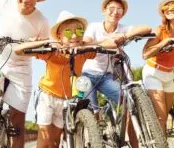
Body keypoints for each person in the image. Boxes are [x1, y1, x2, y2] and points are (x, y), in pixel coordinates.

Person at [14, 10, 123, 148]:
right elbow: (18, 50)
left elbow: (110, 44)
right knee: (45, 139)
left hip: (65, 100)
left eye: (78, 32)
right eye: (67, 32)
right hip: (47, 96)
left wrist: (85, 44)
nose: (73, 35)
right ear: (59, 35)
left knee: (55, 142)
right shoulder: (52, 52)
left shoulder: (83, 52)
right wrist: (48, 42)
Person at [0, 0, 50, 148]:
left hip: (22, 69)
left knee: (17, 121)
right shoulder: (3, 4)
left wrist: (35, 47)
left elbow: (45, 52)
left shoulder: (42, 21)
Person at [82, 0, 152, 147]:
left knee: (127, 100)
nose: (115, 12)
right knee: (91, 110)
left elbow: (147, 28)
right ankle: (96, 138)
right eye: (111, 9)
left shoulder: (123, 28)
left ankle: (122, 132)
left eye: (119, 9)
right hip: (89, 74)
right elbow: (85, 44)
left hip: (107, 76)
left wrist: (124, 36)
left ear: (123, 13)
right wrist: (108, 42)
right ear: (104, 11)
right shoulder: (94, 27)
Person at [142, 0, 174, 134]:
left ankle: (161, 141)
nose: (169, 9)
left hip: (169, 75)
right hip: (153, 74)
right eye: (166, 7)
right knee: (161, 117)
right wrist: (166, 41)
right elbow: (145, 54)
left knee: (166, 115)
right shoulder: (160, 30)